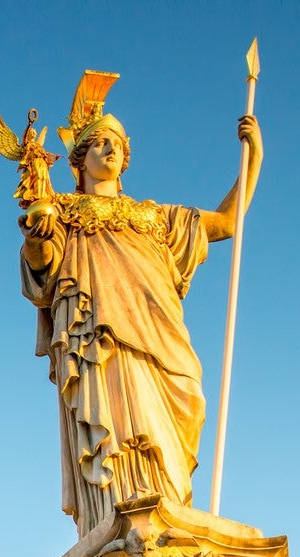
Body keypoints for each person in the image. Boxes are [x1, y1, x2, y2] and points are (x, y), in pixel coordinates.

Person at [20, 71, 263, 528]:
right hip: (99, 338)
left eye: (117, 144)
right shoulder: (65, 216)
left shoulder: (155, 217)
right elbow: (42, 274)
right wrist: (37, 237)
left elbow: (228, 223)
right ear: (79, 159)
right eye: (99, 144)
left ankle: (168, 508)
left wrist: (253, 159)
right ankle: (118, 519)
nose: (110, 150)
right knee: (112, 431)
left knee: (181, 410)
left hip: (159, 333)